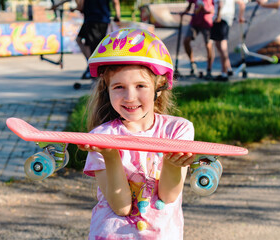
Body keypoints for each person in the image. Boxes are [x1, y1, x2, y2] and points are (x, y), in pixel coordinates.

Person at [79, 28, 196, 239]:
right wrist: (110, 154)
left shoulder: (178, 130)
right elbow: (121, 207)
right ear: (107, 88)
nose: (130, 97)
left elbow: (168, 195)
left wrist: (171, 162)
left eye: (140, 85)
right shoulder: (101, 136)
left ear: (159, 86)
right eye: (119, 87)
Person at [75, 0, 121, 79]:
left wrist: (78, 7)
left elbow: (80, 7)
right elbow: (116, 2)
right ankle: (91, 67)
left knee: (93, 46)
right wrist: (117, 15)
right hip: (102, 19)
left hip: (92, 19)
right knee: (85, 42)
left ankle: (95, 69)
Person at [211, 0, 245, 81]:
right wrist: (241, 16)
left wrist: (218, 16)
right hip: (227, 20)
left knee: (222, 46)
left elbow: (220, 4)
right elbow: (242, 3)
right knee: (220, 45)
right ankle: (228, 69)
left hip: (221, 19)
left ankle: (224, 73)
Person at [181, 0, 215, 79]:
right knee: (186, 40)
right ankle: (193, 63)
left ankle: (209, 69)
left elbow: (214, 9)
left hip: (207, 22)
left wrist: (205, 11)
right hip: (195, 22)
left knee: (208, 45)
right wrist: (184, 12)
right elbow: (190, 5)